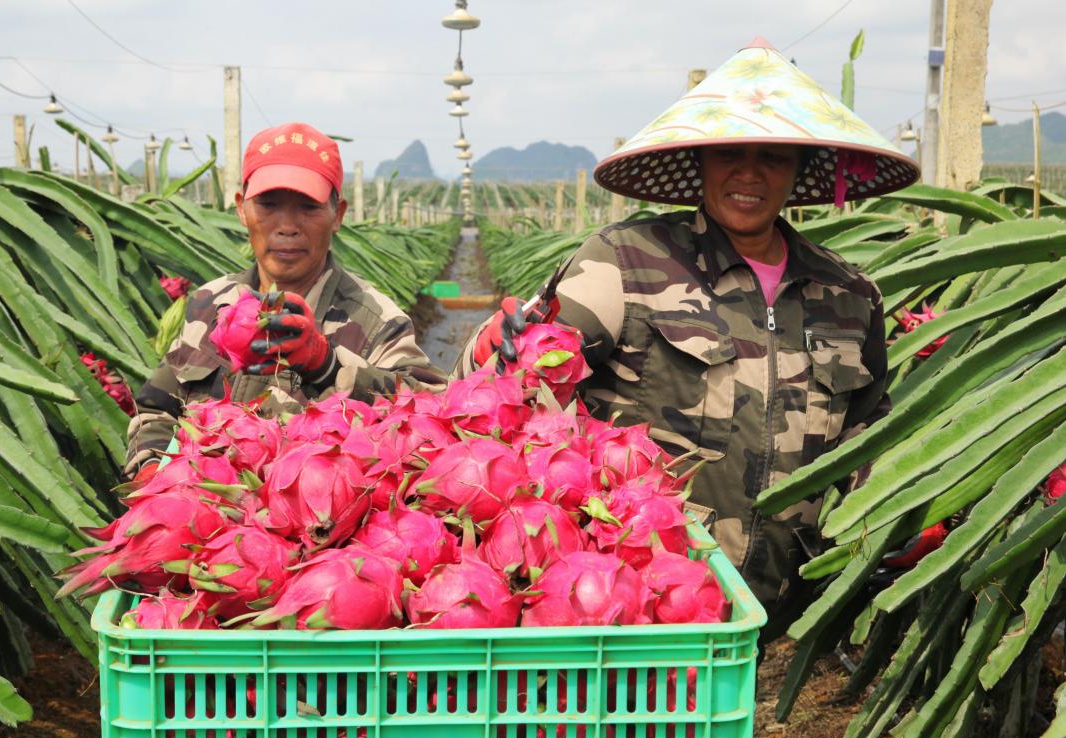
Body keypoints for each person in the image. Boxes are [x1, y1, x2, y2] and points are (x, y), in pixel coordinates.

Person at [458, 38, 920, 643]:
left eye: (773, 156)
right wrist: (496, 344)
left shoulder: (849, 294)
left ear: (801, 169)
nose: (749, 173)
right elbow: (503, 385)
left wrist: (901, 520)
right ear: (699, 159)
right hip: (629, 599)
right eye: (729, 151)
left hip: (786, 609)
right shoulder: (626, 262)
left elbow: (868, 434)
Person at [127, 121, 445, 477]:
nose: (287, 226)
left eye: (308, 207)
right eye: (268, 205)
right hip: (200, 521)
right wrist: (152, 477)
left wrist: (327, 365)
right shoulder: (209, 303)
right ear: (241, 210)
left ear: (337, 215)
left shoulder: (378, 321)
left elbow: (430, 414)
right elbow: (155, 411)